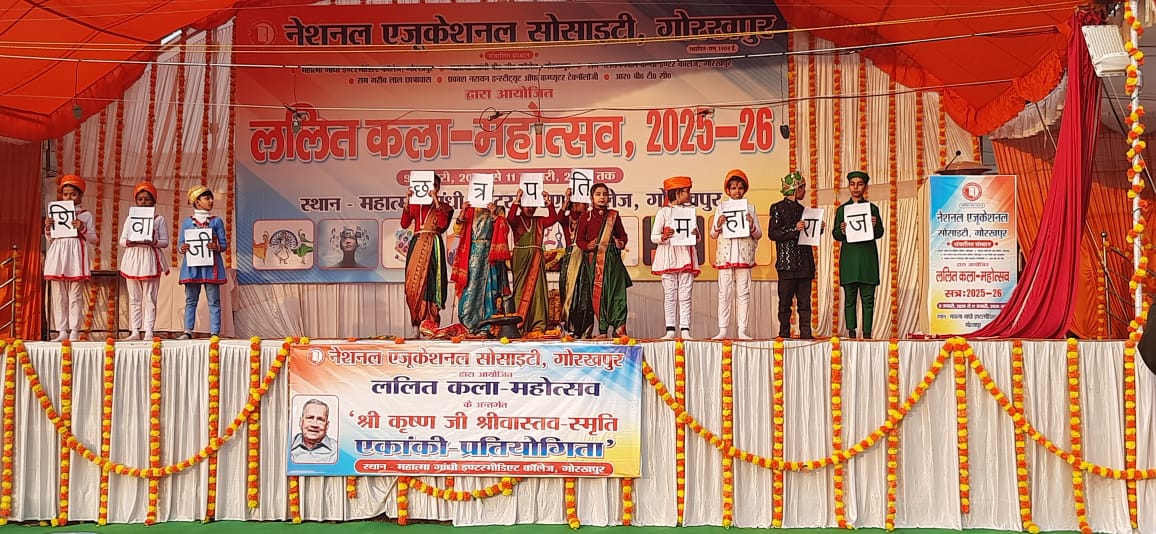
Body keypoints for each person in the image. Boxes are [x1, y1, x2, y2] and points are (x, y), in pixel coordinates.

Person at [568, 183, 631, 338]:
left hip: (613, 261)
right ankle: (603, 330)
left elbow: (623, 236)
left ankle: (620, 328)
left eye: (605, 194)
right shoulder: (586, 217)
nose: (602, 197)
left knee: (618, 293)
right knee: (600, 295)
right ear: (591, 198)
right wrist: (587, 246)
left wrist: (621, 243)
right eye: (598, 194)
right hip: (595, 261)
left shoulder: (613, 216)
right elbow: (580, 240)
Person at [43, 174, 98, 342]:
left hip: (75, 254)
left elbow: (93, 239)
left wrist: (82, 227)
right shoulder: (55, 212)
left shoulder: (85, 215)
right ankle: (62, 331)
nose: (69, 198)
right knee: (59, 295)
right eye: (65, 194)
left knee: (75, 295)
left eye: (73, 194)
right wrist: (48, 228)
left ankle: (74, 330)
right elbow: (50, 239)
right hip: (58, 253)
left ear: (80, 195)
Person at [710, 169, 763, 340]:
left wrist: (751, 224)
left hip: (744, 256)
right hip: (725, 257)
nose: (737, 191)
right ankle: (723, 330)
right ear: (728, 190)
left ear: (745, 189)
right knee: (724, 294)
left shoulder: (750, 209)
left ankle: (742, 330)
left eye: (740, 188)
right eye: (733, 188)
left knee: (743, 293)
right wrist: (718, 224)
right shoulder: (721, 208)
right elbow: (713, 234)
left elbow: (758, 234)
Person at [832, 170, 885, 339]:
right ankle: (851, 333)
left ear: (865, 187)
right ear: (848, 186)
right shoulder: (842, 210)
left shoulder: (872, 208)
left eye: (860, 184)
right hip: (849, 259)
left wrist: (875, 225)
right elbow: (836, 235)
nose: (855, 187)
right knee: (850, 299)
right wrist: (842, 230)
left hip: (867, 259)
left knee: (868, 299)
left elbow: (880, 232)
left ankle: (867, 334)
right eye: (852, 184)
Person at [401, 175, 454, 339]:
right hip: (417, 244)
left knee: (432, 285)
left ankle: (431, 326)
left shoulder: (444, 207)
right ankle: (415, 325)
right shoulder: (416, 205)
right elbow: (404, 224)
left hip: (433, 246)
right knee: (413, 286)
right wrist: (407, 201)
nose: (432, 188)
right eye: (429, 185)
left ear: (438, 188)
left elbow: (443, 225)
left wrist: (436, 201)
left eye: (435, 186)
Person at [768, 172, 820, 339]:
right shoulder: (777, 208)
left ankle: (806, 333)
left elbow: (809, 235)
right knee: (785, 303)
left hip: (804, 263)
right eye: (803, 188)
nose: (804, 191)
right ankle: (784, 333)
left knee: (805, 303)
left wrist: (818, 228)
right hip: (787, 263)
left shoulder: (804, 210)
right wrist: (793, 229)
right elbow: (773, 233)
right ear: (797, 189)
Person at [450, 202, 512, 336]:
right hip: (472, 255)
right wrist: (462, 213)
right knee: (470, 288)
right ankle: (468, 324)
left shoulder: (498, 209)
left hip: (489, 255)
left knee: (490, 290)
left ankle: (487, 326)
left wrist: (494, 215)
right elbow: (457, 230)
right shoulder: (470, 210)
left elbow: (504, 229)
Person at [118, 181, 170, 340]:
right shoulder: (130, 219)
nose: (143, 202)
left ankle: (149, 331)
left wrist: (153, 241)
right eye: (140, 199)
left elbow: (165, 242)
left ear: (154, 201)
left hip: (149, 258)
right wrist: (129, 242)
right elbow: (122, 240)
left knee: (150, 298)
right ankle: (135, 330)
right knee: (134, 298)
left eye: (147, 199)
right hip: (133, 258)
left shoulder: (158, 219)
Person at [651, 176, 700, 340]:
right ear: (678, 193)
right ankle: (670, 329)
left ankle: (685, 329)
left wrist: (696, 234)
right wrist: (664, 236)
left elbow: (696, 237)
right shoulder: (663, 212)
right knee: (670, 294)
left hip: (686, 256)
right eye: (687, 191)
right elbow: (653, 236)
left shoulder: (689, 211)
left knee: (686, 294)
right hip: (668, 257)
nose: (689, 195)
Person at [177, 185, 228, 339]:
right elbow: (180, 243)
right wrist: (183, 248)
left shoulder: (216, 221)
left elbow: (224, 244)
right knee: (191, 300)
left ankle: (214, 332)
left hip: (211, 267)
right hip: (192, 267)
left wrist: (216, 246)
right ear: (197, 202)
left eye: (211, 198)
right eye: (207, 198)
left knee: (214, 301)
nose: (211, 201)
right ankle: (187, 331)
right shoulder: (187, 222)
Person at [507, 189, 558, 334]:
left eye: (533, 205)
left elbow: (553, 219)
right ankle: (519, 323)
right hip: (520, 259)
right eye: (527, 205)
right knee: (520, 291)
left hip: (537, 258)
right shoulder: (517, 220)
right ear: (521, 206)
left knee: (538, 291)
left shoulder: (539, 221)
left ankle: (538, 324)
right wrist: (517, 199)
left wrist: (548, 202)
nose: (530, 208)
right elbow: (510, 219)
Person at [556, 188, 587, 333]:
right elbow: (559, 217)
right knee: (568, 291)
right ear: (574, 203)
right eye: (582, 202)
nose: (586, 204)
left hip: (584, 258)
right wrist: (566, 199)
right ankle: (569, 326)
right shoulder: (567, 219)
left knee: (582, 293)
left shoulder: (587, 218)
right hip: (569, 259)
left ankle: (583, 329)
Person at [289, 398, 338, 464]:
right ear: (301, 422)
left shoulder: (337, 451)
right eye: (310, 418)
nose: (314, 424)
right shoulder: (286, 445)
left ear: (327, 425)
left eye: (320, 419)